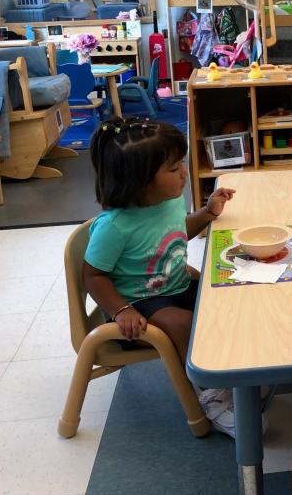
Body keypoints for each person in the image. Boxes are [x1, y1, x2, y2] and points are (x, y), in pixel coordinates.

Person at [83, 116, 239, 435]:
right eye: (173, 168)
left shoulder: (167, 202)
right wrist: (120, 310)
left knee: (230, 294)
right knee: (184, 324)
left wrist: (208, 213)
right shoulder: (114, 226)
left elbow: (180, 230)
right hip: (139, 304)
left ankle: (232, 371)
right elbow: (93, 275)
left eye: (181, 162)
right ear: (138, 181)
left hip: (176, 285)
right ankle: (210, 395)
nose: (183, 172)